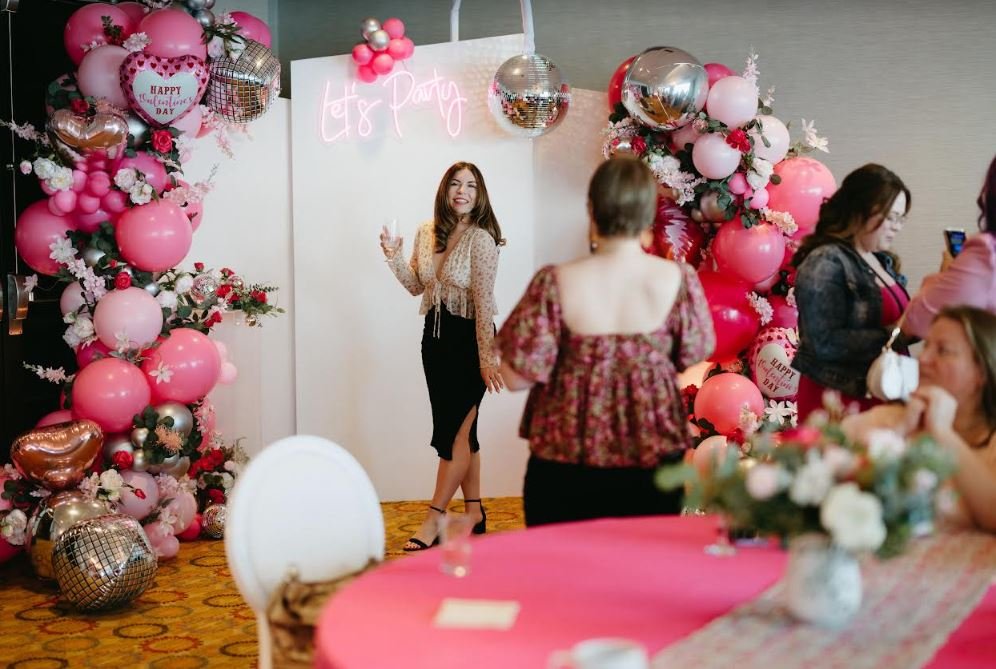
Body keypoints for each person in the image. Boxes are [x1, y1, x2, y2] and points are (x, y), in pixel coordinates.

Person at [494, 156, 715, 526]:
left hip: (564, 462)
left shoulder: (554, 281)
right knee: (640, 574)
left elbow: (516, 379)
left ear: (592, 210)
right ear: (649, 215)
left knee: (563, 574)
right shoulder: (679, 280)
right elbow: (694, 354)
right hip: (652, 457)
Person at [379, 161, 505, 551]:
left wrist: (487, 358)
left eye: (470, 185)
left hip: (469, 342)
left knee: (453, 436)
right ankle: (474, 512)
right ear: (444, 190)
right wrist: (393, 256)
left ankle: (434, 518)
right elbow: (417, 286)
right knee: (464, 433)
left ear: (479, 193)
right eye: (455, 184)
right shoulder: (425, 232)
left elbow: (484, 304)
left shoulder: (482, 239)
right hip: (433, 342)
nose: (462, 191)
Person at [843, 306, 996, 532]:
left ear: (981, 372)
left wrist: (943, 433)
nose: (923, 359)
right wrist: (899, 432)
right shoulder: (882, 421)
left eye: (943, 350)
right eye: (926, 347)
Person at [791, 164, 913, 423]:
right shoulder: (826, 260)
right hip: (839, 398)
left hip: (881, 392)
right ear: (859, 211)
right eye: (890, 217)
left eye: (901, 219)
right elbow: (823, 342)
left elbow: (899, 329)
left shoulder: (882, 261)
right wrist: (897, 334)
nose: (896, 227)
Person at [902, 155, 996, 338]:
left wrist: (943, 275)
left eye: (898, 217)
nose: (895, 225)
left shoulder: (986, 253)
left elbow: (918, 322)